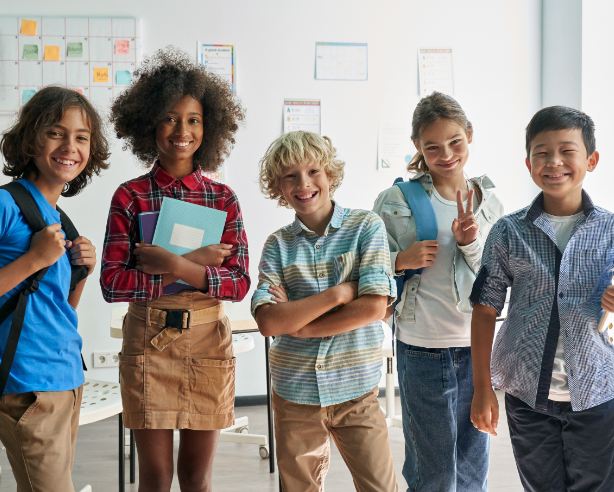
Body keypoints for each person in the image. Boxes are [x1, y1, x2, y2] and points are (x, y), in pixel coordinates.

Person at [470, 106, 614, 491]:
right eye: (541, 152)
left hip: (595, 393)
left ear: (591, 159)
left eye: (567, 150)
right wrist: (482, 387)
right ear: (528, 162)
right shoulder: (508, 231)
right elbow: (485, 309)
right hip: (525, 393)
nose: (554, 162)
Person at [101, 47, 249, 492]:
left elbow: (239, 284)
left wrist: (174, 263)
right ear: (149, 123)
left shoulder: (223, 198)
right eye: (169, 118)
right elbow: (111, 284)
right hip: (149, 341)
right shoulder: (130, 197)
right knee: (157, 480)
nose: (182, 131)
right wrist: (191, 265)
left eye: (194, 120)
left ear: (210, 127)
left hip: (208, 342)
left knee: (197, 479)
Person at [252, 130, 399, 492]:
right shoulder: (276, 245)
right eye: (290, 176)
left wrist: (300, 324)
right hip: (294, 393)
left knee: (381, 487)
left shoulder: (367, 227)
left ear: (330, 175)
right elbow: (270, 321)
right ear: (279, 187)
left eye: (313, 171)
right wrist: (339, 293)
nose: (304, 184)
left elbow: (374, 306)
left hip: (357, 392)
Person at [373, 92, 503, 492]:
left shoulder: (489, 203)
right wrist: (400, 259)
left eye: (455, 142)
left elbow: (495, 278)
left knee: (471, 467)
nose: (446, 154)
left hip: (475, 348)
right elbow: (366, 268)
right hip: (421, 347)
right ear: (418, 147)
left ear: (469, 136)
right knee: (435, 473)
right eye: (432, 146)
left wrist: (469, 242)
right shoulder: (396, 201)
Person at [0, 86, 109, 491]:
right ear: (30, 138)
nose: (70, 146)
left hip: (65, 376)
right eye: (56, 133)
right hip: (28, 382)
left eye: (81, 137)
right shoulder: (7, 205)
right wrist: (34, 259)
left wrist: (81, 272)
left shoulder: (60, 220)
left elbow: (56, 308)